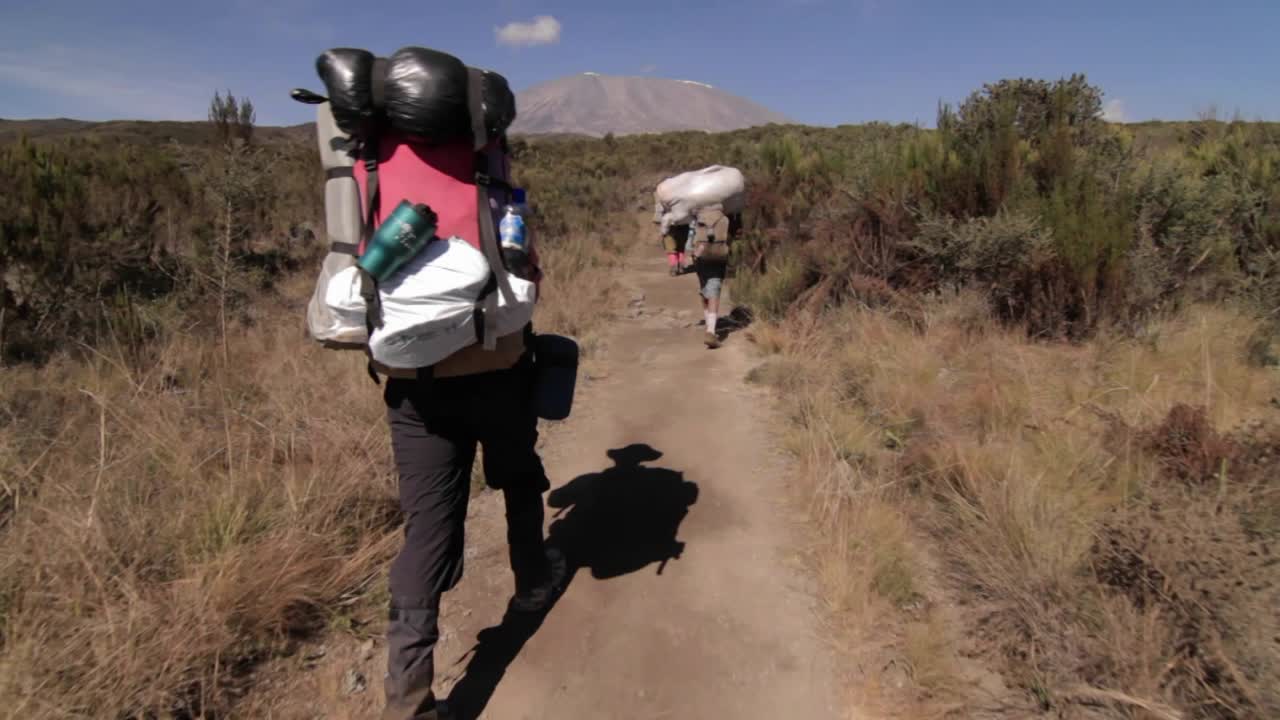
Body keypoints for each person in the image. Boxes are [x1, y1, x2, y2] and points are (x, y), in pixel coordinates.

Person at [691, 209, 743, 349]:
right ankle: (710, 331)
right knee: (714, 289)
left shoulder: (698, 212)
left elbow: (690, 232)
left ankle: (710, 325)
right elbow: (737, 234)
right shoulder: (727, 214)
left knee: (704, 288)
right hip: (719, 256)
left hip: (700, 255)